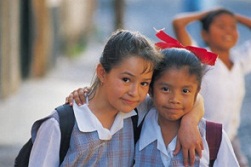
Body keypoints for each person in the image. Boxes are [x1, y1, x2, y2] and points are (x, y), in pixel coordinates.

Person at [28, 29, 203, 166]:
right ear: (102, 73)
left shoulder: (136, 112)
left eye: (144, 83)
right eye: (126, 79)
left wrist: (189, 123)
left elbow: (191, 98)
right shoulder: (60, 125)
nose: (135, 92)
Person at [134, 30, 239, 167]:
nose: (174, 99)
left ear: (197, 93)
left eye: (185, 91)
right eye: (165, 89)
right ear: (151, 89)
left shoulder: (213, 137)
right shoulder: (137, 124)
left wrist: (189, 122)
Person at [172, 8, 251, 166]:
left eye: (232, 27)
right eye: (221, 26)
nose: (228, 31)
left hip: (230, 137)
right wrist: (206, 14)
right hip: (201, 136)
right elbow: (178, 23)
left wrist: (231, 15)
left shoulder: (239, 60)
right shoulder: (201, 58)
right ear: (204, 34)